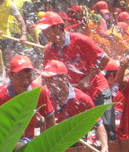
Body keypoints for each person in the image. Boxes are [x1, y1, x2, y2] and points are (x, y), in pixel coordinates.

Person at [37, 12, 116, 140]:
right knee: (77, 131)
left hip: (97, 88)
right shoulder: (48, 50)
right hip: (76, 95)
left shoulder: (80, 40)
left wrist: (88, 78)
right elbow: (46, 75)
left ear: (58, 28)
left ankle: (111, 151)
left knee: (106, 125)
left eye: (46, 29)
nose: (44, 33)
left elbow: (104, 59)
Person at [41, 59, 109, 152]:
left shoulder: (82, 99)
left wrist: (104, 146)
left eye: (52, 79)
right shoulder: (44, 95)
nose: (48, 83)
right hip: (52, 143)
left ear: (64, 78)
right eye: (46, 80)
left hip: (76, 142)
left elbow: (98, 124)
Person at [0, 54, 55, 149]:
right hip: (3, 141)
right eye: (21, 78)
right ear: (10, 75)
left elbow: (50, 117)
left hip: (27, 139)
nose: (25, 82)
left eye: (29, 77)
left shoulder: (38, 91)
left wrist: (48, 143)